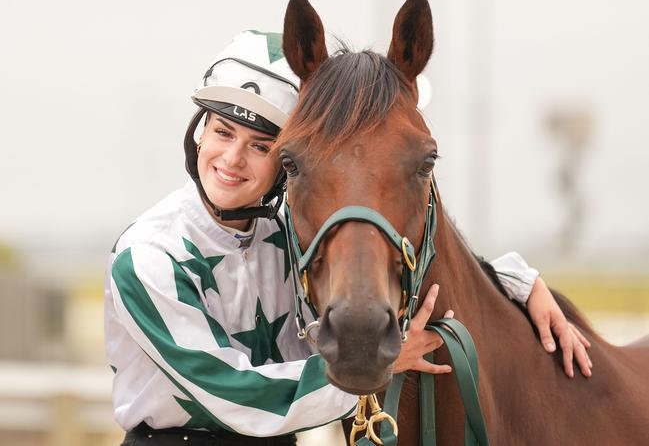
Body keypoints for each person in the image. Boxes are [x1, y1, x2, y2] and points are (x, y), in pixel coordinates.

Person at [104, 30, 592, 446]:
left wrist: (517, 282)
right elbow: (226, 390)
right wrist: (379, 365)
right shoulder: (147, 256)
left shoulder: (281, 238)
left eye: (260, 146)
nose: (232, 159)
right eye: (222, 132)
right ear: (198, 134)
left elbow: (374, 242)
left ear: (283, 162)